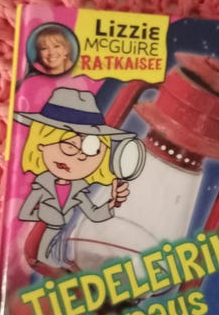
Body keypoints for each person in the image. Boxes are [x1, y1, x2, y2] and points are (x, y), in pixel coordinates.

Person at [15, 87, 134, 276]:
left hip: (64, 249)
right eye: (69, 146)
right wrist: (46, 214)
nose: (78, 157)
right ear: (41, 144)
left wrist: (112, 203)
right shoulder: (42, 185)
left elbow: (94, 214)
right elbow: (26, 212)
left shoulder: (78, 190)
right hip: (45, 247)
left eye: (90, 150)